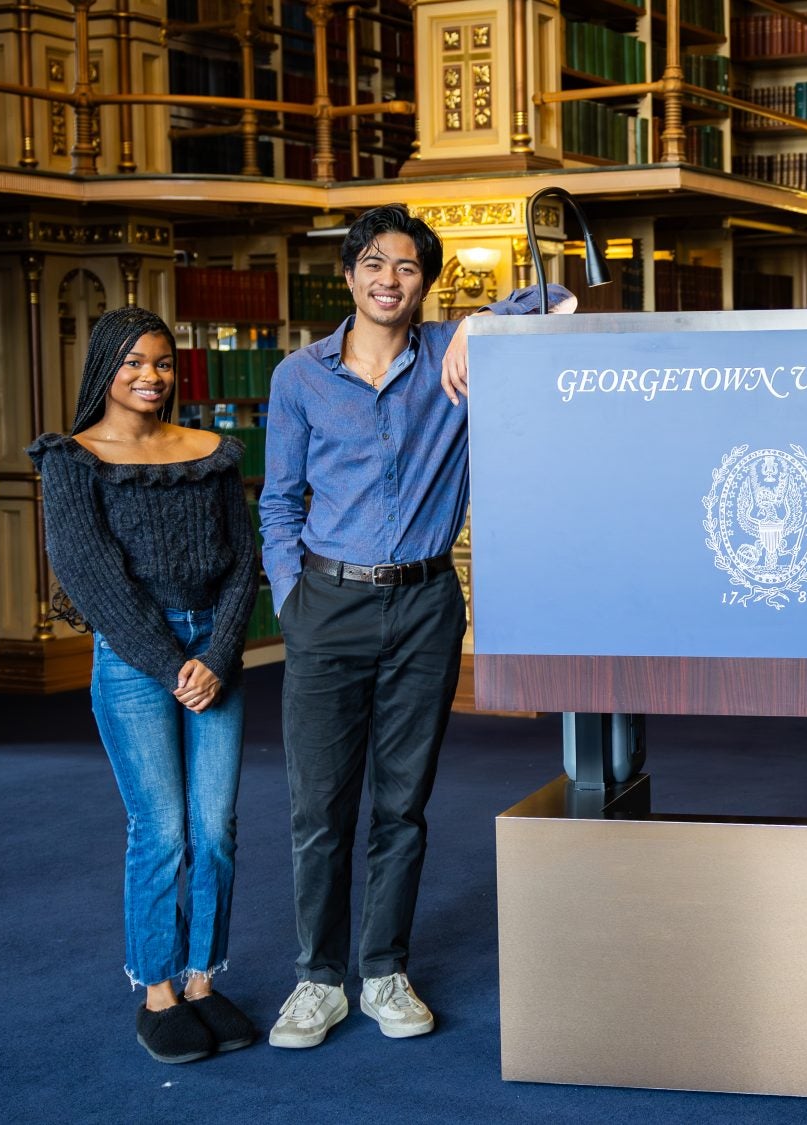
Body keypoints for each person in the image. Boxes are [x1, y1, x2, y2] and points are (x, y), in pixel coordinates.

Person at [259, 203, 574, 1049]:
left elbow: (564, 297)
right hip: (327, 605)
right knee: (318, 808)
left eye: (404, 266)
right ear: (349, 273)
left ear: (423, 282)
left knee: (403, 803)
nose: (387, 279)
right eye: (372, 263)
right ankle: (317, 979)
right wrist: (293, 599)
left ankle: (384, 970)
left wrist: (478, 322)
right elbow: (278, 502)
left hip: (426, 605)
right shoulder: (300, 377)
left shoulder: (451, 355)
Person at [28, 306, 260, 1064]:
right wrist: (172, 664)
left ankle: (201, 979)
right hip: (135, 660)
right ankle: (157, 991)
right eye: (132, 362)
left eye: (161, 362)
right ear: (105, 368)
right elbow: (94, 580)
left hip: (213, 653)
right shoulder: (72, 458)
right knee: (160, 829)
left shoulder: (212, 452)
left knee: (216, 828)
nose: (149, 376)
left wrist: (219, 653)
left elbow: (242, 559)